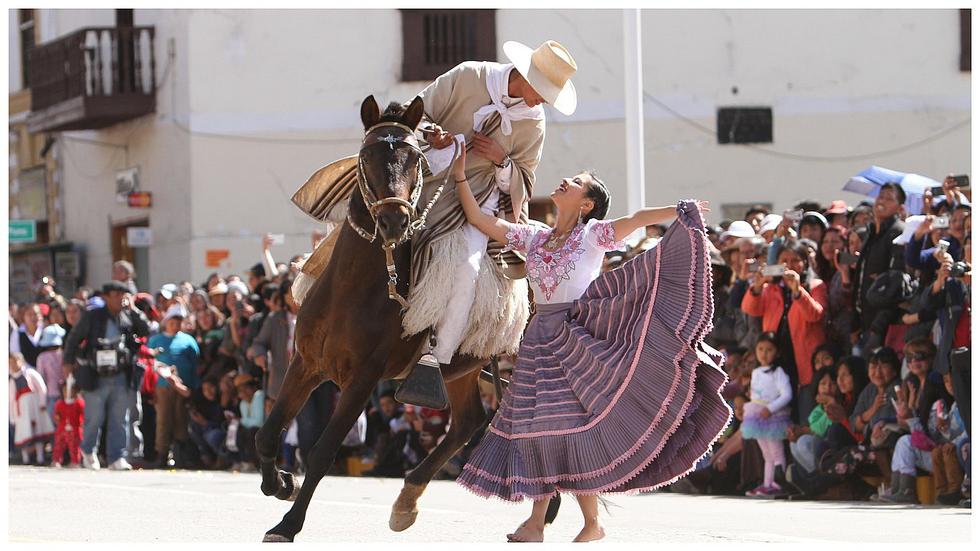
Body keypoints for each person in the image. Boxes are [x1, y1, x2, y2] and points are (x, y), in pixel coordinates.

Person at [450, 145, 731, 542]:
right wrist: (460, 173)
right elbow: (479, 219)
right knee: (538, 428)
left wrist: (679, 210)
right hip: (538, 341)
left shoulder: (593, 235)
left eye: (577, 182)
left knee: (569, 428)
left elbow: (637, 219)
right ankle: (546, 523)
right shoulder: (534, 238)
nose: (566, 180)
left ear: (586, 204)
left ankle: (578, 523)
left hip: (575, 339)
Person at [63, 281, 150, 471]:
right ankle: (88, 451)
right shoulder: (92, 316)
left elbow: (146, 330)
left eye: (122, 295)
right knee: (94, 417)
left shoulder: (128, 316)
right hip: (96, 374)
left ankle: (117, 457)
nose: (120, 298)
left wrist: (134, 310)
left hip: (121, 373)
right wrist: (68, 362)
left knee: (120, 417)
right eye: (115, 295)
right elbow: (74, 339)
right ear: (105, 297)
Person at [147, 303, 201, 469]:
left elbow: (195, 365)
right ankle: (162, 454)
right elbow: (148, 364)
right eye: (172, 321)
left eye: (178, 322)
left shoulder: (188, 341)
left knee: (181, 418)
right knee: (163, 420)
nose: (175, 325)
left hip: (183, 387)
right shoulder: (155, 340)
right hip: (162, 386)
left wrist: (193, 389)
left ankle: (180, 455)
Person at [856, 183, 906, 354]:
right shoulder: (870, 232)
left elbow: (895, 285)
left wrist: (877, 329)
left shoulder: (898, 232)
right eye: (880, 196)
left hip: (882, 325)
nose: (882, 201)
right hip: (863, 319)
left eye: (889, 198)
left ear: (900, 207)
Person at [740, 333, 793, 497]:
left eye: (769, 350)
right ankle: (767, 483)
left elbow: (787, 394)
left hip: (773, 416)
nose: (764, 354)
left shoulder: (778, 372)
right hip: (757, 416)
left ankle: (778, 483)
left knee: (776, 451)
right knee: (767, 454)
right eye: (761, 349)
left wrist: (771, 408)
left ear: (777, 352)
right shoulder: (756, 372)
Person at [9, 351, 55, 465]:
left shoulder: (30, 373)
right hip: (22, 412)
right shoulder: (12, 380)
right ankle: (26, 459)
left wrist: (42, 403)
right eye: (10, 363)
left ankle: (40, 457)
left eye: (14, 362)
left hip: (34, 408)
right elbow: (11, 399)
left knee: (37, 431)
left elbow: (41, 388)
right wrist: (12, 416)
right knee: (24, 432)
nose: (12, 365)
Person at [51, 379, 85, 468]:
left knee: (74, 447)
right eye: (65, 390)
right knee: (58, 446)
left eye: (71, 390)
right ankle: (56, 460)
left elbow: (83, 415)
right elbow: (56, 415)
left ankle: (75, 461)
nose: (68, 392)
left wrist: (82, 424)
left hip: (75, 429)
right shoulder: (60, 403)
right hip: (61, 429)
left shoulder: (79, 403)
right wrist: (57, 418)